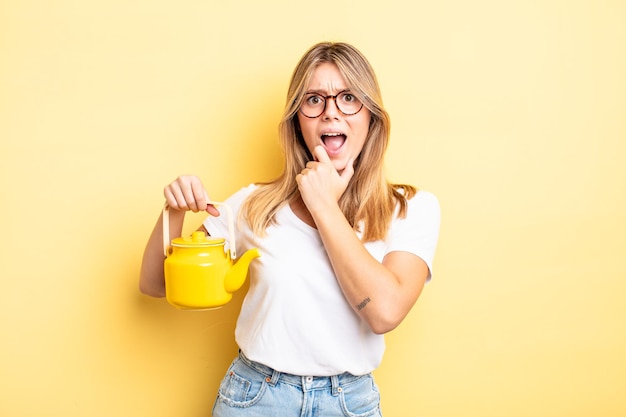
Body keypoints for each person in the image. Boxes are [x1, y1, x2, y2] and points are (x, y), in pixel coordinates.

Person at [139, 41, 440, 417]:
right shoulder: (254, 205)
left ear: (371, 117)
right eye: (314, 100)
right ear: (298, 119)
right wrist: (173, 213)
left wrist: (324, 205)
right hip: (254, 398)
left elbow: (384, 313)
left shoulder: (410, 209)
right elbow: (156, 284)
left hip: (349, 403)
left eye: (348, 97)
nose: (331, 113)